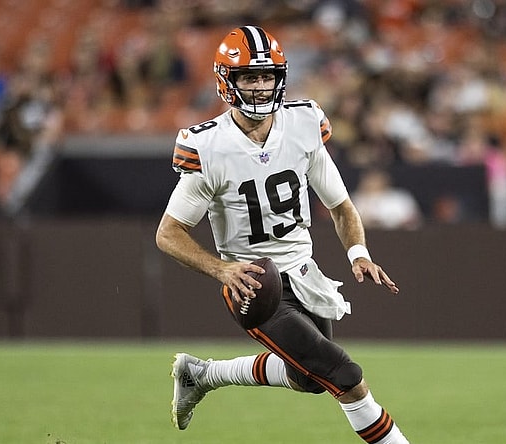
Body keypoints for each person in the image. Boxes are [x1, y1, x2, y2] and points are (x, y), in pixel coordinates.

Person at [155, 25, 411, 443]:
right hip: (256, 285)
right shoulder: (210, 146)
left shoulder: (303, 124)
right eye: (248, 77)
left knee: (308, 377)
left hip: (305, 273)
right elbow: (168, 233)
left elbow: (341, 205)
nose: (259, 87)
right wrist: (222, 270)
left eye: (266, 76)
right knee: (345, 376)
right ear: (227, 81)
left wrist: (358, 253)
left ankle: (203, 374)